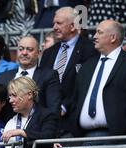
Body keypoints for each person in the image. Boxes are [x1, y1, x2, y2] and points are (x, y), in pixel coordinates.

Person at [71, 20, 126, 139]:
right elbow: (76, 99)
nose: (94, 36)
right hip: (83, 137)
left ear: (113, 37)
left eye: (99, 32)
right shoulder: (86, 66)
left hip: (118, 139)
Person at [39, 6, 98, 137]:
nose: (54, 27)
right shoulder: (48, 53)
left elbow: (85, 84)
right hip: (48, 120)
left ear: (73, 26)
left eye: (59, 23)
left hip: (73, 120)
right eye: (54, 23)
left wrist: (65, 106)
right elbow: (41, 83)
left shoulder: (90, 50)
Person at [2, 77, 59, 148]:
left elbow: (48, 136)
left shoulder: (46, 115)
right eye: (10, 96)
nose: (10, 100)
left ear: (29, 95)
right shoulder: (9, 118)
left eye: (14, 95)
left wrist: (22, 132)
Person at [0, 36, 61, 121]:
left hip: (37, 128)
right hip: (7, 127)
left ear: (38, 53)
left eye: (29, 49)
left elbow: (53, 108)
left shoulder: (49, 75)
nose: (24, 53)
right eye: (21, 49)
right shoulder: (4, 76)